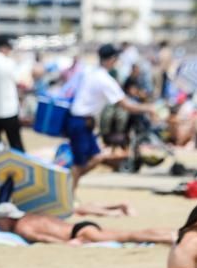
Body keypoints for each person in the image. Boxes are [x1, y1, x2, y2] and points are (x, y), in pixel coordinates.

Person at [67, 43, 157, 189]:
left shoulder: (90, 72)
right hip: (81, 122)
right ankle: (69, 193)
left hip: (79, 121)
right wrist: (149, 108)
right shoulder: (104, 79)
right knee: (80, 164)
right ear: (112, 60)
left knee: (96, 158)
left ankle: (70, 190)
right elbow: (127, 105)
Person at [0, 202, 174, 245]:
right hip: (80, 226)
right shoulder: (31, 216)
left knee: (130, 236)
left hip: (79, 234)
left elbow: (44, 238)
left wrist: (68, 243)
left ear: (7, 218)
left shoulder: (22, 227)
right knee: (128, 233)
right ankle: (170, 233)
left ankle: (168, 237)